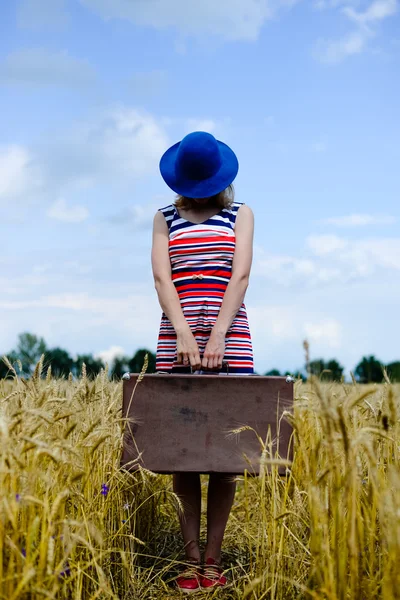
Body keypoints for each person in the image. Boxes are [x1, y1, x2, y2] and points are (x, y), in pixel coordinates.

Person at [151, 131, 254, 592]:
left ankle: (214, 562)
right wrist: (183, 332)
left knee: (225, 458)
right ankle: (191, 563)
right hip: (177, 338)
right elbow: (161, 277)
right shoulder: (165, 217)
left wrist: (216, 334)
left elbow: (241, 274)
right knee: (184, 456)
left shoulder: (240, 214)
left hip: (229, 336)